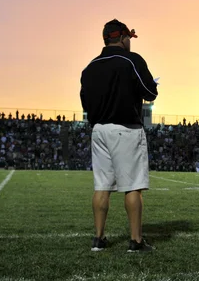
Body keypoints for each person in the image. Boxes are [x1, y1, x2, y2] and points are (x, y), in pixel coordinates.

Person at [80, 19, 158, 253]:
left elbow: (85, 102)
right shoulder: (131, 60)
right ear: (123, 38)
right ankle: (135, 241)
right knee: (133, 186)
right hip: (126, 129)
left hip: (99, 130)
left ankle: (98, 239)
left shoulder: (90, 67)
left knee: (102, 186)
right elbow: (150, 92)